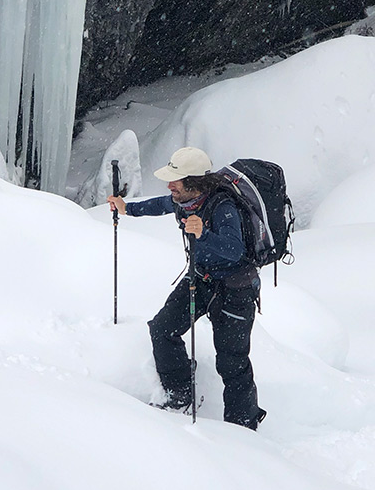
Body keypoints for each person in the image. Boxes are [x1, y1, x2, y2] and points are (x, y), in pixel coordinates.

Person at [108, 146, 266, 429]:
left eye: (175, 180)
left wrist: (203, 233)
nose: (169, 185)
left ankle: (243, 427)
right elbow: (160, 205)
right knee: (162, 329)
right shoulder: (185, 200)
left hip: (235, 290)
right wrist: (127, 209)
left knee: (232, 363)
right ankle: (179, 393)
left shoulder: (223, 207)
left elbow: (234, 250)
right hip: (201, 280)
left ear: (193, 182)